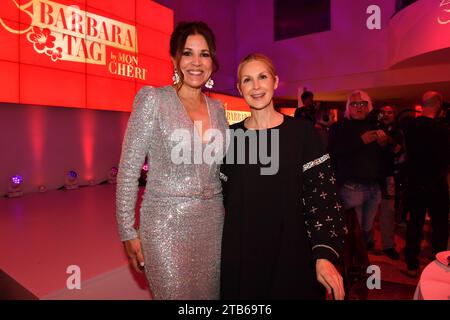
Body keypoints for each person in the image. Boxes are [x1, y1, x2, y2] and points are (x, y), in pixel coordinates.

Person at [115, 21, 229, 299]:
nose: (196, 62)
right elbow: (129, 171)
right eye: (188, 53)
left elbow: (224, 170)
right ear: (174, 59)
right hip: (165, 224)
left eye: (204, 54)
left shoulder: (218, 108)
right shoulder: (154, 100)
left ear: (212, 61)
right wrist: (127, 231)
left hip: (213, 225)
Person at [220, 53, 345, 300]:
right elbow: (214, 197)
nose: (256, 86)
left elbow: (323, 198)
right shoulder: (228, 138)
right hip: (243, 259)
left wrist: (324, 255)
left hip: (292, 256)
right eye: (247, 80)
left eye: (262, 77)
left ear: (275, 82)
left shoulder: (303, 134)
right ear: (239, 88)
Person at [328, 90, 386, 250]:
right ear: (348, 107)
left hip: (374, 187)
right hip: (351, 188)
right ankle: (352, 267)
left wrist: (383, 145)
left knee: (367, 231)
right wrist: (360, 141)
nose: (358, 107)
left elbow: (382, 158)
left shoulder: (375, 126)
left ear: (369, 106)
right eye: (354, 104)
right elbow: (333, 153)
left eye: (363, 103)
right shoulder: (339, 127)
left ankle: (361, 262)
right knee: (353, 233)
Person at [404, 91, 449, 278]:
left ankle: (412, 264)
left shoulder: (409, 126)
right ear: (438, 104)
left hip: (415, 182)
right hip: (436, 183)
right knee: (440, 225)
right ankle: (438, 262)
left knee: (415, 223)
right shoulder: (443, 129)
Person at [377, 105, 403, 260]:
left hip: (388, 177)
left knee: (388, 212)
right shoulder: (372, 127)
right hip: (371, 177)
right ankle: (368, 241)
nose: (386, 115)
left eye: (389, 112)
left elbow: (398, 150)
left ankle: (388, 245)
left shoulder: (398, 132)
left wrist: (388, 140)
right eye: (383, 112)